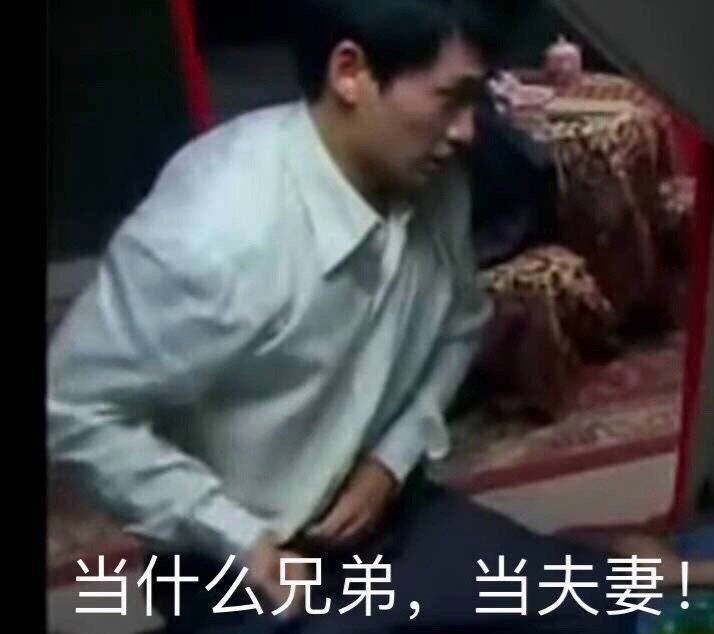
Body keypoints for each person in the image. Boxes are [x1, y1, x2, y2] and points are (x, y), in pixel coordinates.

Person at [48, 1, 706, 632]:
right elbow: (73, 406)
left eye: (474, 100)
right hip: (241, 568)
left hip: (387, 520)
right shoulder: (212, 234)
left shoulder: (437, 182)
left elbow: (460, 325)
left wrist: (390, 461)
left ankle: (614, 567)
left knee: (609, 610)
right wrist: (238, 536)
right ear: (350, 73)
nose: (467, 131)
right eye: (449, 98)